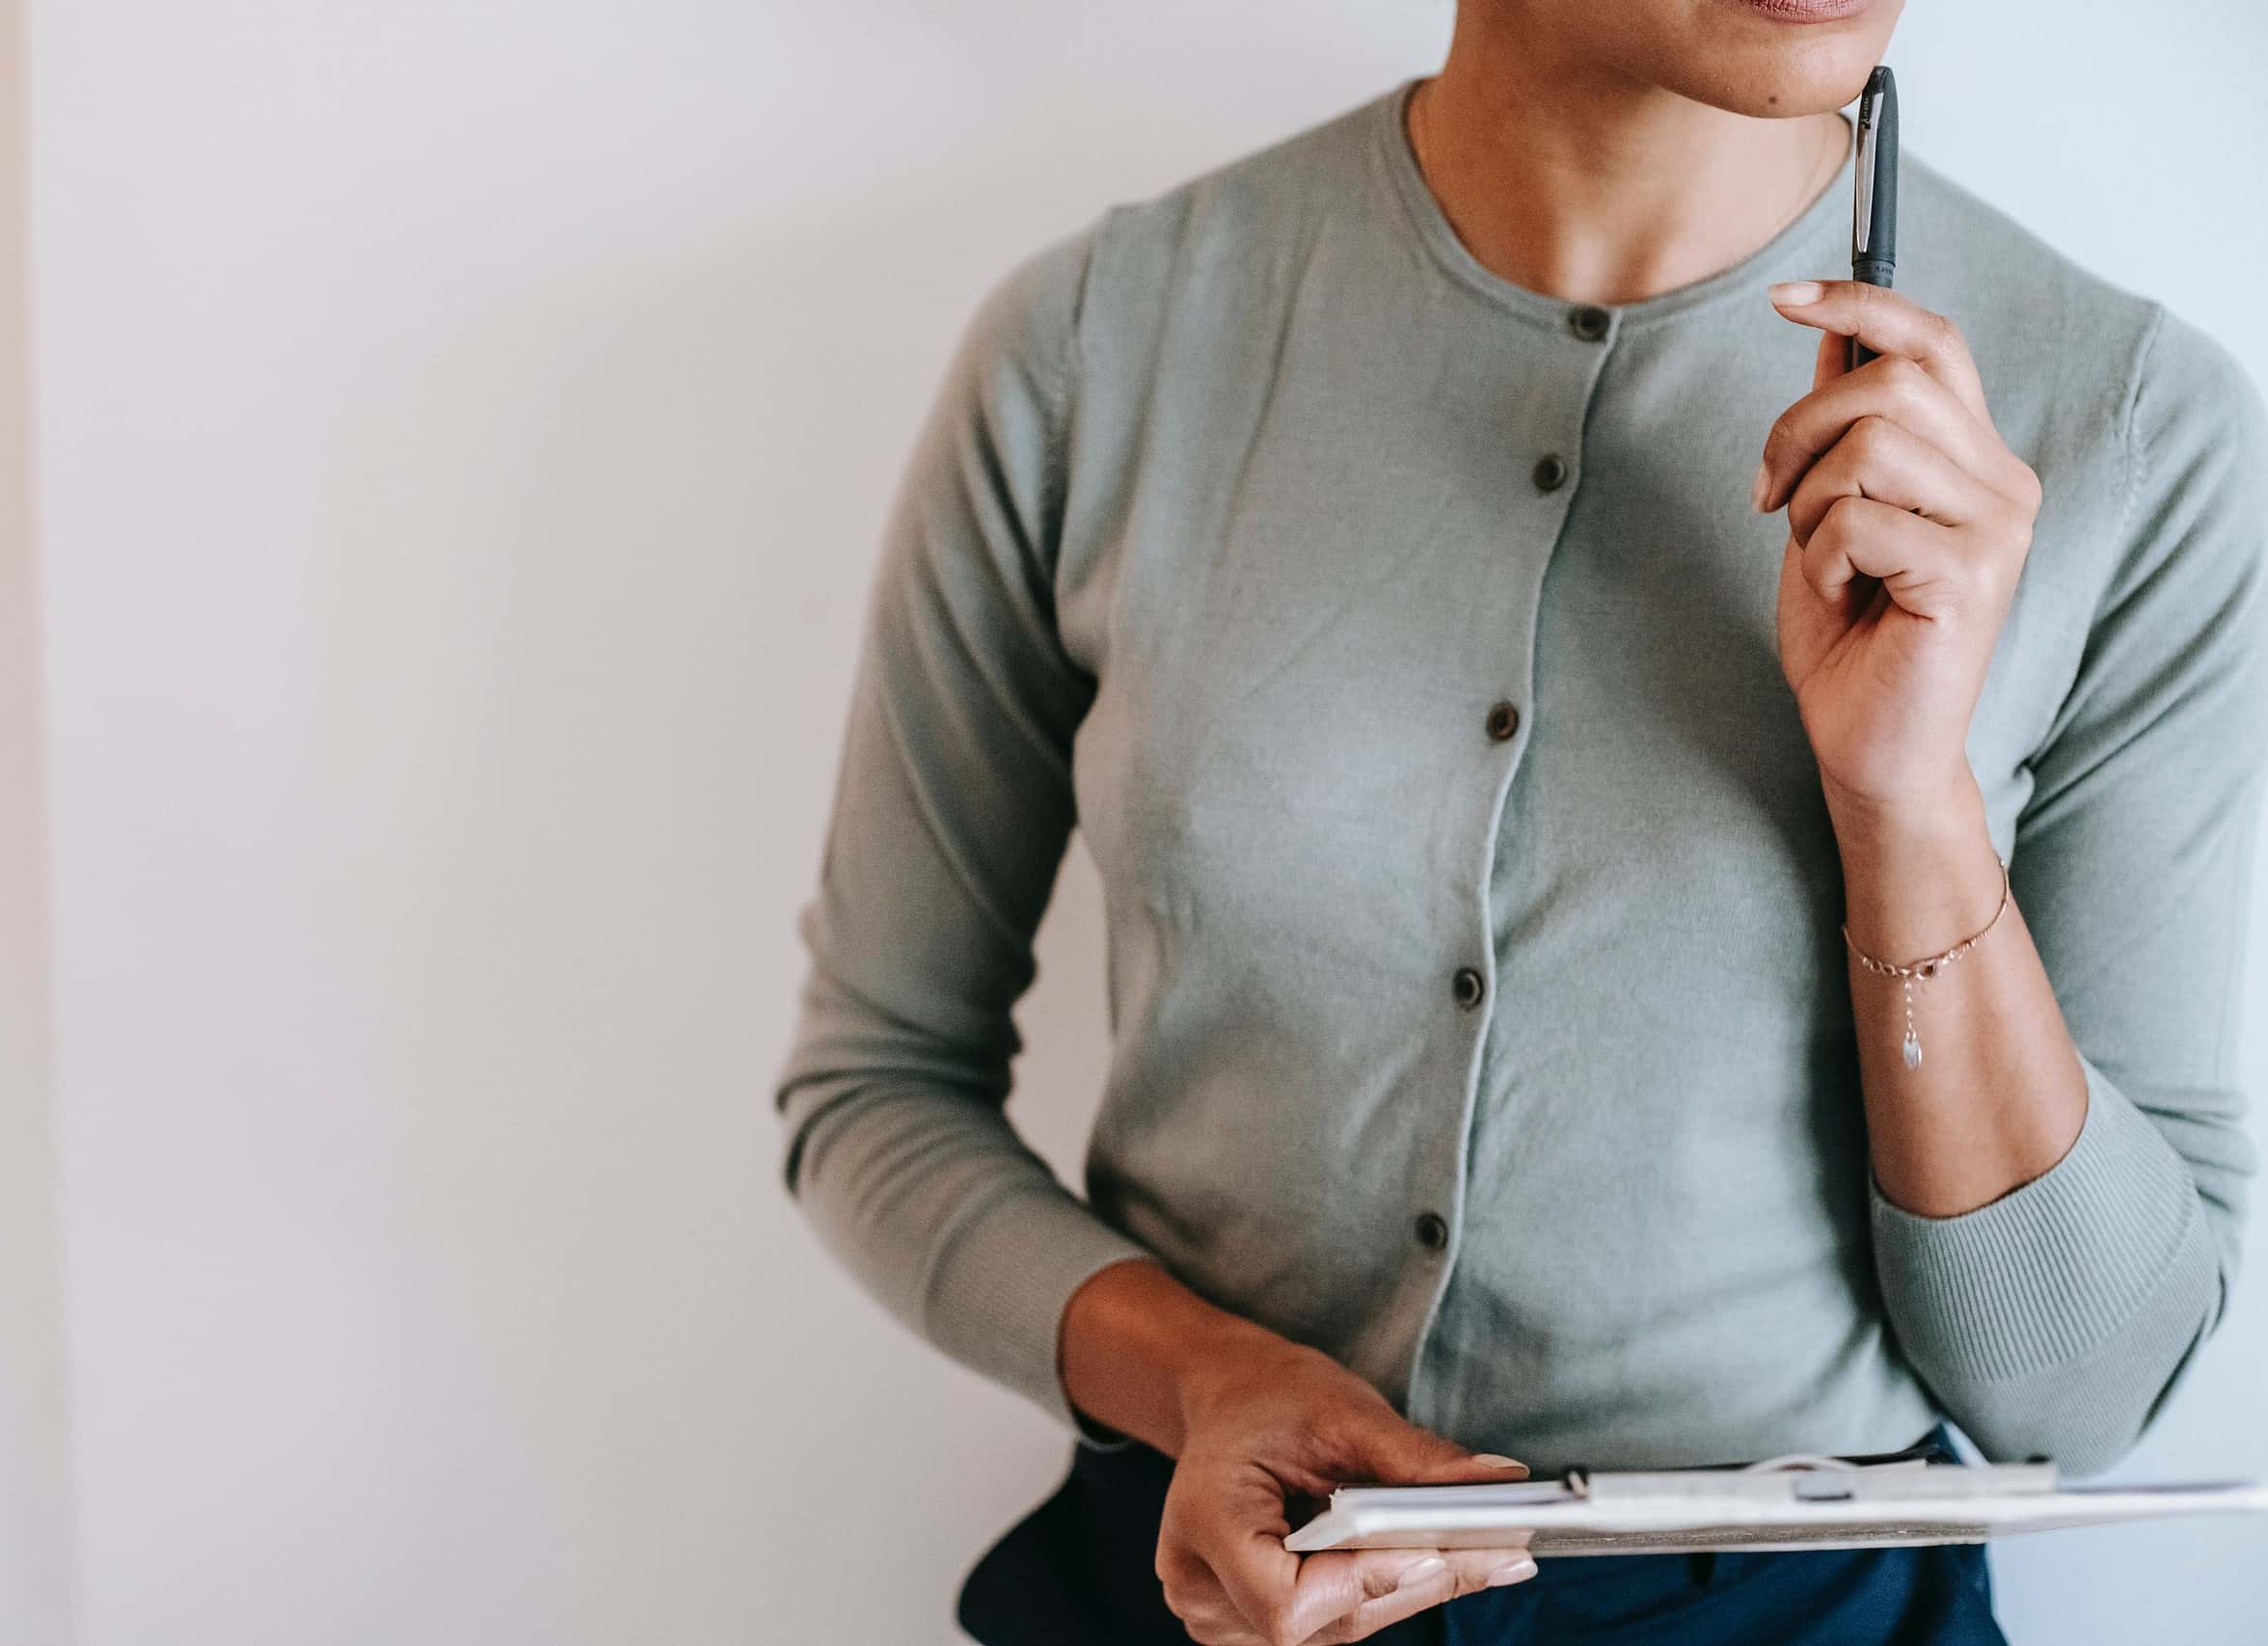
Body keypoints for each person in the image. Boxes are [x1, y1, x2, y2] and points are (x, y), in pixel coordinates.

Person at [771, 0, 2267, 1640]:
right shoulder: (1097, 344)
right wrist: (1196, 1378)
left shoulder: (2141, 440)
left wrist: (1907, 806)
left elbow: (2093, 1386)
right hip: (1192, 1585)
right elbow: (875, 1084)